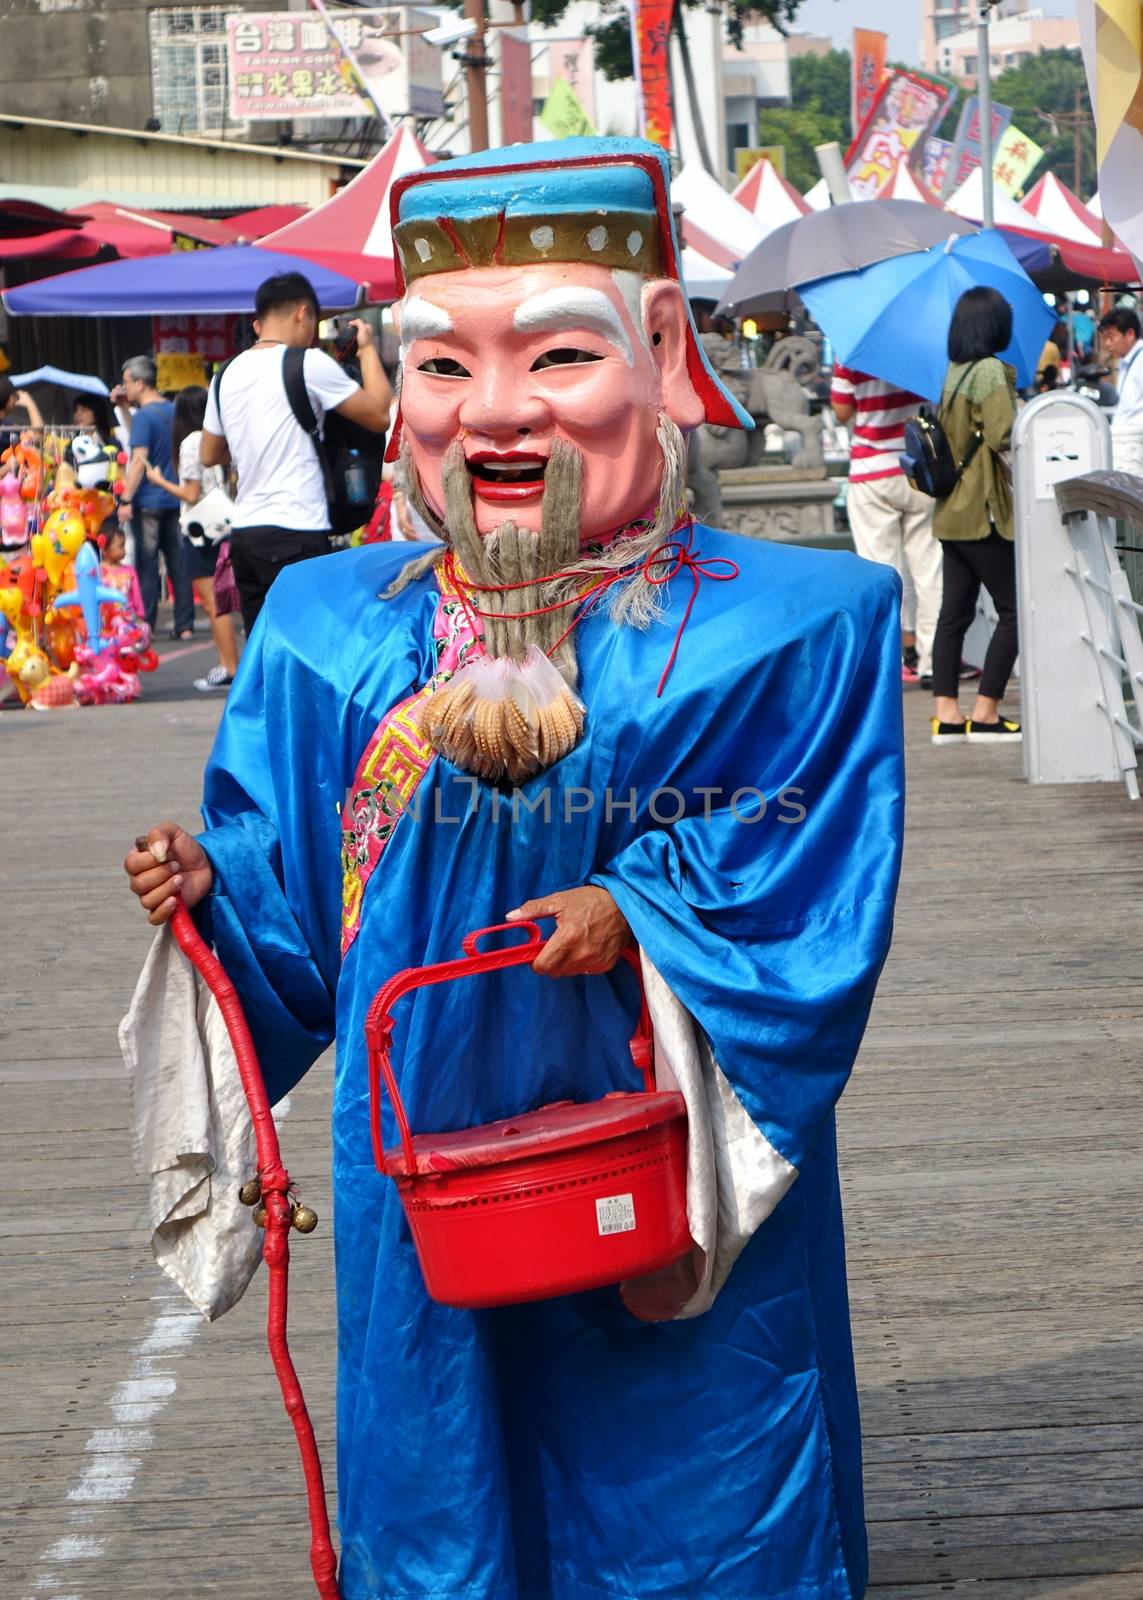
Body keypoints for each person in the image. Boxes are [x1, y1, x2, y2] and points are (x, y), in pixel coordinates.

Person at [124, 138, 904, 1600]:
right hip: (423, 1131)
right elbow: (293, 888)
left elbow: (803, 850)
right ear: (389, 375)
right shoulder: (321, 631)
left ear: (662, 349)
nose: (492, 415)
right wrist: (211, 888)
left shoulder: (797, 627)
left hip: (658, 1125)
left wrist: (638, 905)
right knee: (441, 1434)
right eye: (438, 368)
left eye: (554, 356)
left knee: (697, 1432)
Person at [201, 272, 390, 633]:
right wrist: (365, 349)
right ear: (303, 314)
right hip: (297, 528)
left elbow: (210, 453)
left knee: (264, 648)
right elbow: (379, 415)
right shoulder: (307, 363)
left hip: (246, 535)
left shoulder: (225, 374)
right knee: (308, 644)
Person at [930, 286, 1022, 744]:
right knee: (1014, 613)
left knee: (954, 615)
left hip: (950, 511)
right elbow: (1006, 434)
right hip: (980, 511)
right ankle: (986, 713)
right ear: (992, 324)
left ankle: (947, 715)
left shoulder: (956, 369)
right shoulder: (988, 371)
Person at [832, 364, 941, 683]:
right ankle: (934, 662)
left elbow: (841, 411)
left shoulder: (853, 348)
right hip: (919, 468)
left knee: (880, 573)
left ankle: (886, 664)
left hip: (871, 472)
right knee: (930, 569)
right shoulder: (927, 344)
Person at [143, 385, 240, 693]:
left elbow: (191, 493)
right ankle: (232, 665)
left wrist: (158, 481)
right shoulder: (220, 439)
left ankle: (229, 667)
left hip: (201, 530)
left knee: (213, 603)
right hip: (225, 524)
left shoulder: (190, 443)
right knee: (224, 601)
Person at [117, 355, 195, 639]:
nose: (125, 387)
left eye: (126, 382)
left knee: (147, 565)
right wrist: (125, 409)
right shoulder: (172, 410)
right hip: (175, 497)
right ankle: (185, 625)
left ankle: (146, 623)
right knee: (178, 563)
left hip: (148, 500)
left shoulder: (144, 417)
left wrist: (126, 498)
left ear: (140, 382)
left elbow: (138, 459)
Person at [1099, 305, 1143, 474]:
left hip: (1135, 447)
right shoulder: (1127, 362)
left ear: (1130, 334)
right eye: (1105, 338)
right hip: (1127, 446)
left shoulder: (1140, 360)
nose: (1108, 344)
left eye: (1112, 337)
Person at [67, 393, 118, 489]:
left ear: (96, 412)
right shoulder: (71, 446)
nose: (78, 414)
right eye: (76, 410)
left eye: (84, 410)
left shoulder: (111, 443)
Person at [98, 520, 144, 617]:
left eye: (124, 545)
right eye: (120, 546)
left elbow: (137, 596)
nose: (124, 550)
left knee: (145, 628)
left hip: (127, 617)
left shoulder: (130, 571)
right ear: (104, 549)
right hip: (105, 620)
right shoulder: (97, 572)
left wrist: (140, 615)